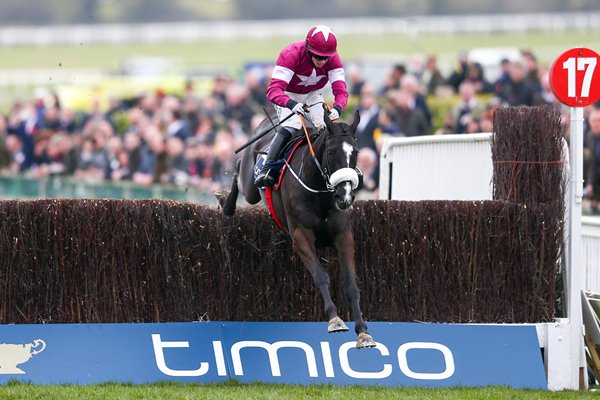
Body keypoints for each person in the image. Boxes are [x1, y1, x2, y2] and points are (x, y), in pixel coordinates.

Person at [254, 25, 349, 187]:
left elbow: (341, 91)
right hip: (287, 94)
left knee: (324, 127)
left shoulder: (333, 59)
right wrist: (291, 104)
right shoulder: (291, 54)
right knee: (293, 124)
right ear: (308, 49)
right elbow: (273, 90)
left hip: (312, 94)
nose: (322, 61)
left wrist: (337, 108)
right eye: (318, 57)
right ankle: (268, 167)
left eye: (325, 58)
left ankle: (331, 170)